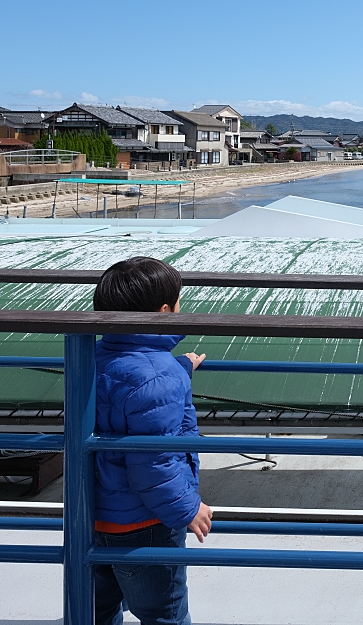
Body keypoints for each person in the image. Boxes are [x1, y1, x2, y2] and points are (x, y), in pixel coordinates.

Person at [92, 256, 214, 625]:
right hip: (144, 525)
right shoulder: (158, 376)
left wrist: (178, 369)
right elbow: (152, 460)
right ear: (164, 311)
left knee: (95, 609)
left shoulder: (92, 356)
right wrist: (187, 509)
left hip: (95, 515)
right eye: (179, 303)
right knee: (164, 613)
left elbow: (130, 397)